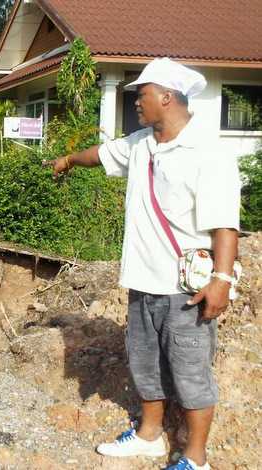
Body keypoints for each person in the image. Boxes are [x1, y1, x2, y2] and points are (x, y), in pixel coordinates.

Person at [45, 57, 241, 470]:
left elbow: (225, 225)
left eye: (142, 94)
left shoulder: (208, 152)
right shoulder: (140, 143)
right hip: (143, 281)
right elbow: (98, 154)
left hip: (185, 290)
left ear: (166, 97)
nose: (135, 101)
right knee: (146, 364)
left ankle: (196, 457)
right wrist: (66, 161)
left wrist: (221, 280)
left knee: (190, 372)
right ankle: (150, 436)